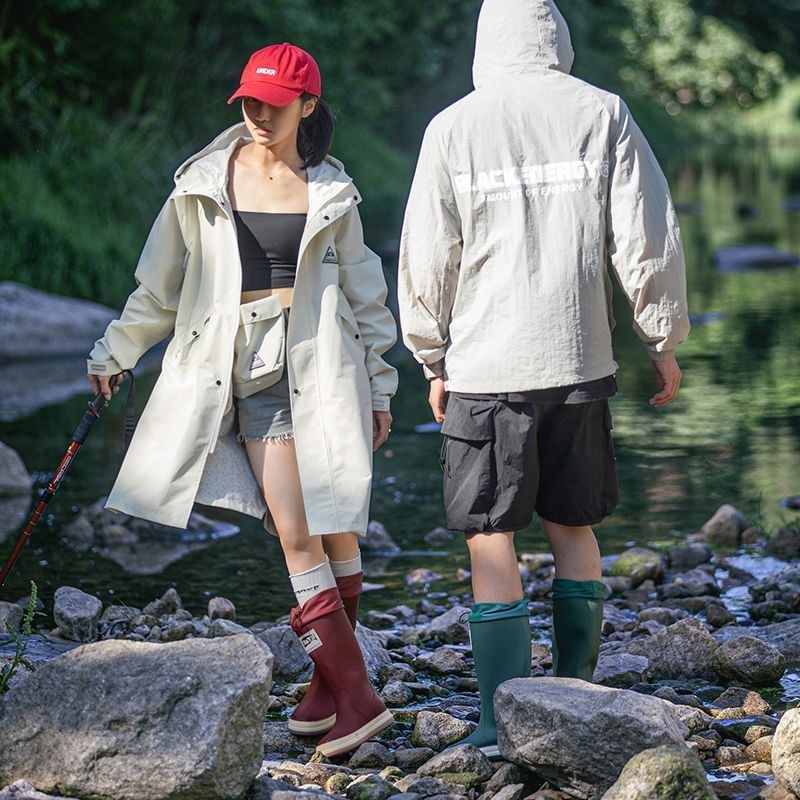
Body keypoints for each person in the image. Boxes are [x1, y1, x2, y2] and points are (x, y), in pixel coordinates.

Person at [86, 42, 397, 757]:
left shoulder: (330, 188)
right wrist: (116, 351)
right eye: (249, 102)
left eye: (274, 105)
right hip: (245, 371)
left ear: (307, 107)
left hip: (323, 366)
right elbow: (159, 288)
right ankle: (350, 690)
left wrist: (382, 385)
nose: (259, 115)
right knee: (296, 529)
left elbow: (366, 293)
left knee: (333, 524)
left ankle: (340, 693)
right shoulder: (202, 182)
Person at [398, 0, 690, 759]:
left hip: (486, 367)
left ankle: (499, 721)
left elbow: (429, 255)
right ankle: (577, 697)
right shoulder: (603, 112)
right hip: (579, 359)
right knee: (574, 524)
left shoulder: (453, 126)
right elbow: (647, 232)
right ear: (557, 38)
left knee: (491, 538)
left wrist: (433, 356)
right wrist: (662, 336)